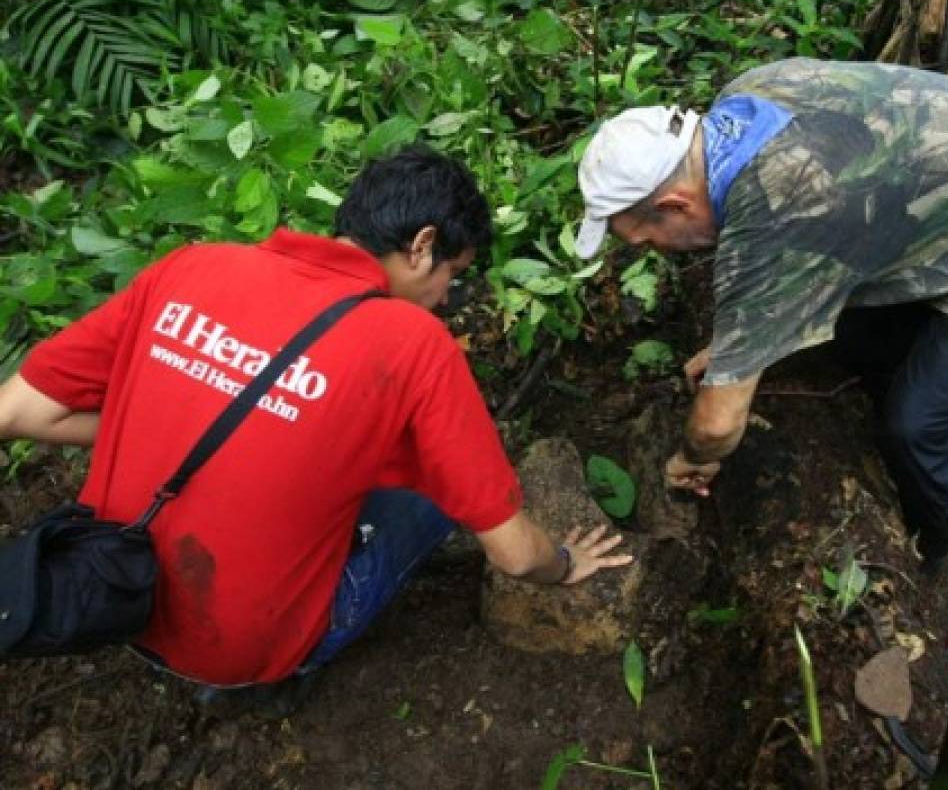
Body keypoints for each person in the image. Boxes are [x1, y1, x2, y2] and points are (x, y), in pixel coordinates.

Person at [0, 145, 631, 706]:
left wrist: (159, 411)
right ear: (421, 245)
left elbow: (18, 412)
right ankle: (275, 672)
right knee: (439, 492)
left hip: (109, 598)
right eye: (451, 275)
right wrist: (566, 562)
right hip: (239, 653)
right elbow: (516, 555)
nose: (445, 297)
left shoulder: (193, 268)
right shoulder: (410, 341)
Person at [573, 57, 948, 573]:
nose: (656, 251)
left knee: (918, 422)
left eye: (648, 240)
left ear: (675, 205)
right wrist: (747, 338)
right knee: (855, 342)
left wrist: (692, 459)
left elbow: (717, 426)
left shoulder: (775, 213)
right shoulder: (748, 96)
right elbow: (814, 234)